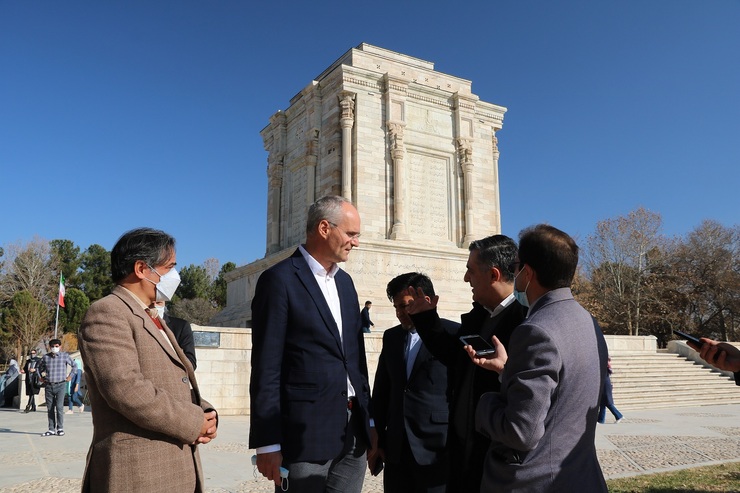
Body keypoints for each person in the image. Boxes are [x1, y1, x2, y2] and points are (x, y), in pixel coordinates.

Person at [466, 224, 608, 492]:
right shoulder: (588, 321)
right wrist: (506, 371)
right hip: (580, 476)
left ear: (527, 272)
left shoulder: (535, 330)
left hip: (539, 481)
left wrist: (484, 404)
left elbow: (521, 432)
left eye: (517, 265)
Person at [250, 195, 375, 492]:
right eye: (351, 233)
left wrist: (369, 421)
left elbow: (356, 360)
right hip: (305, 432)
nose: (355, 242)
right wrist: (267, 441)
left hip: (353, 431)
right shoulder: (279, 280)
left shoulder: (346, 284)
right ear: (324, 228)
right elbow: (267, 367)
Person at [78, 227, 218, 493]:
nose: (174, 277)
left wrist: (206, 412)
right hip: (138, 473)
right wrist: (192, 421)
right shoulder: (107, 312)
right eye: (169, 268)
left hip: (174, 466)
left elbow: (174, 380)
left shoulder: (153, 317)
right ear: (142, 268)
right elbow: (126, 389)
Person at [405, 235, 527, 493]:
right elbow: (453, 357)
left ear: (493, 274)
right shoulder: (478, 316)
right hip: (463, 452)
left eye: (470, 271)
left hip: (498, 459)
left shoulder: (525, 323)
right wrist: (425, 318)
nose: (465, 279)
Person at [371, 273, 459, 492]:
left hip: (437, 448)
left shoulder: (453, 334)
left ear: (426, 299)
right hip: (397, 450)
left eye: (406, 306)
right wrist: (378, 440)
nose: (401, 313)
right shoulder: (392, 337)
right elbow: (382, 391)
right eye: (397, 308)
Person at [38, 341, 77, 434]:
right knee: (50, 408)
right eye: (52, 346)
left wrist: (70, 376)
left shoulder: (65, 356)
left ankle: (60, 428)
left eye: (56, 346)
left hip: (60, 384)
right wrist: (40, 377)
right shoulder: (45, 357)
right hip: (49, 385)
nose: (54, 348)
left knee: (59, 407)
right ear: (49, 347)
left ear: (60, 346)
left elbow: (74, 366)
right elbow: (38, 368)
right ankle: (51, 428)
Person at [151, 300, 197, 369]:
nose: (154, 306)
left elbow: (191, 363)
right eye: (151, 303)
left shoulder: (181, 326)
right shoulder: (137, 323)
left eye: (158, 303)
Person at [598, 356, 624, 424]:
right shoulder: (604, 366)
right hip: (604, 384)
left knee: (608, 402)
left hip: (605, 385)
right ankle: (601, 420)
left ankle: (619, 415)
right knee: (602, 403)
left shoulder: (604, 367)